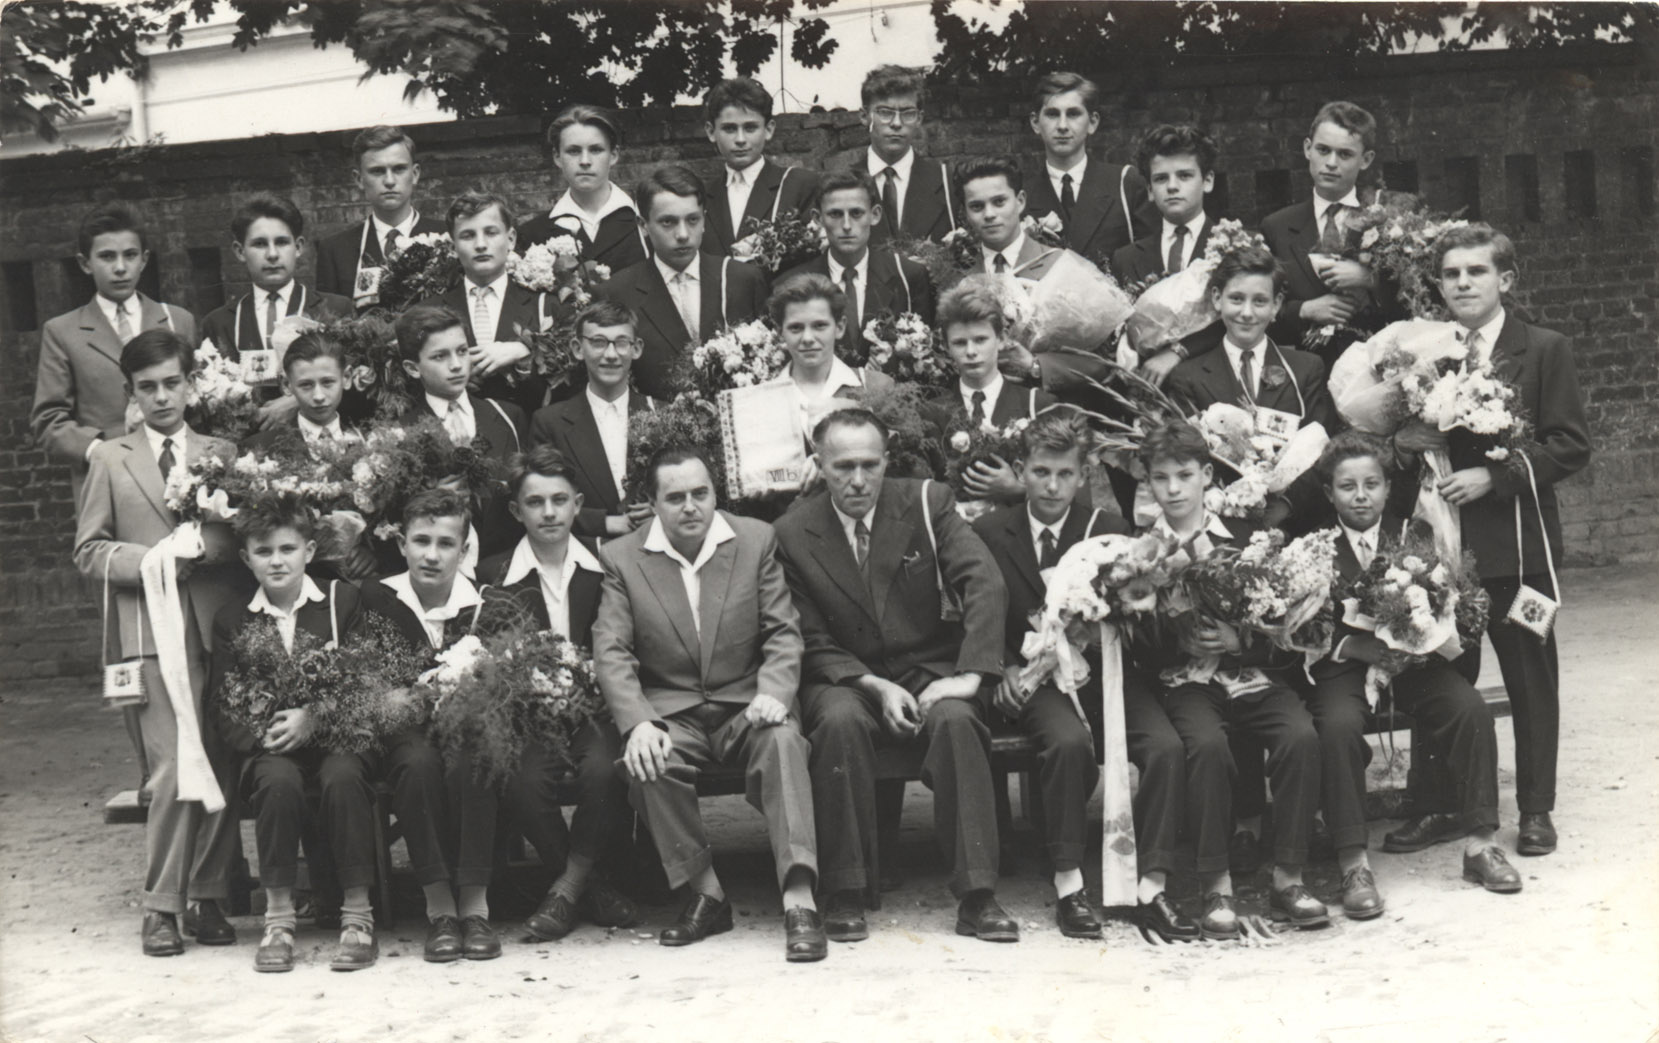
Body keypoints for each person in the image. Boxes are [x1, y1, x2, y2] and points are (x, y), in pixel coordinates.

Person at [772, 409, 1017, 944]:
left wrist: (970, 676)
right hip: (846, 675)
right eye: (843, 467)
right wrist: (873, 685)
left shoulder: (928, 502)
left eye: (870, 464)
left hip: (928, 668)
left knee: (957, 721)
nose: (858, 481)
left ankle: (978, 894)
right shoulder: (791, 533)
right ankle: (845, 889)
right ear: (819, 465)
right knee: (837, 724)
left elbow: (984, 582)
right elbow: (808, 635)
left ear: (887, 461)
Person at [1391, 224, 1591, 858]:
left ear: (1505, 279)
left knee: (1531, 676)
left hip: (1519, 553)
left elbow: (1569, 445)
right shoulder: (1424, 352)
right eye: (1451, 274)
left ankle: (1534, 809)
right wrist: (1404, 444)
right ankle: (1441, 804)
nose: (1462, 284)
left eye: (1475, 272)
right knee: (1441, 678)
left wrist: (1494, 477)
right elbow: (1406, 444)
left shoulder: (1544, 349)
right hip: (1443, 555)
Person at [592, 446, 826, 962]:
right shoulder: (622, 557)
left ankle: (799, 898)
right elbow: (612, 650)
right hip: (672, 712)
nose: (691, 507)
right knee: (648, 759)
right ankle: (707, 893)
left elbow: (783, 631)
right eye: (675, 497)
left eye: (701, 493)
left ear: (716, 492)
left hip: (748, 703)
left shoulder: (755, 539)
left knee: (784, 743)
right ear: (652, 503)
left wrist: (774, 692)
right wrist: (638, 722)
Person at [73, 328, 246, 957]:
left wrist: (204, 546)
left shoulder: (221, 452)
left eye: (172, 383)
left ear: (190, 384)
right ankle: (161, 906)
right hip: (149, 635)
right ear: (131, 393)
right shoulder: (110, 459)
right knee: (173, 768)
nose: (162, 396)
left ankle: (208, 896)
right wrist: (154, 559)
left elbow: (244, 535)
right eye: (147, 387)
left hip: (215, 625)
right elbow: (89, 551)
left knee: (220, 758)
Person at [972, 408, 1164, 940]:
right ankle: (1068, 881)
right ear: (1020, 471)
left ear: (1083, 476)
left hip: (1104, 672)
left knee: (1165, 746)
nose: (1052, 486)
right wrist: (1002, 668)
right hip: (1036, 679)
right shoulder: (989, 532)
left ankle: (1154, 880)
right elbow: (978, 613)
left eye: (1064, 474)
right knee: (1067, 744)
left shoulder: (1107, 531)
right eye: (1040, 472)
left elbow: (1133, 610)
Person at [1132, 419, 1326, 938]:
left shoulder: (1245, 538)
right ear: (1147, 482)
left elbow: (1284, 625)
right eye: (1160, 478)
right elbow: (1136, 648)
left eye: (1184, 475)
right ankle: (1215, 885)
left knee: (1299, 735)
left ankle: (1289, 877)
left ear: (1207, 476)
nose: (1174, 489)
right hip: (1186, 681)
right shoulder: (1141, 552)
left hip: (1250, 672)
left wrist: (1240, 641)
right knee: (1207, 746)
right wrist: (1177, 638)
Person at [1306, 432, 1518, 901]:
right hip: (1348, 666)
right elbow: (1302, 627)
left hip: (1412, 664)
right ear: (1329, 492)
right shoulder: (1315, 546)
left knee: (1469, 710)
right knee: (1338, 726)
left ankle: (1481, 843)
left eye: (1371, 484)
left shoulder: (1412, 533)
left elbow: (1444, 600)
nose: (1361, 496)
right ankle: (1353, 862)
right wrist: (1353, 647)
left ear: (1387, 487)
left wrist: (1421, 638)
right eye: (1347, 486)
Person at [358, 488, 534, 962]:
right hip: (403, 729)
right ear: (402, 544)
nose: (431, 555)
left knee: (475, 756)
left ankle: (475, 908)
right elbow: (363, 677)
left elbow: (506, 682)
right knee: (416, 765)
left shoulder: (486, 604)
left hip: (469, 726)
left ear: (464, 549)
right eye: (421, 541)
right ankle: (439, 909)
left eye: (445, 543)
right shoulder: (376, 598)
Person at [207, 500, 382, 972]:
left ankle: (357, 915)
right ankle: (279, 918)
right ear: (246, 558)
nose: (277, 561)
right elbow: (224, 703)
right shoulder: (233, 618)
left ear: (309, 551)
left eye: (288, 549)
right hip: (273, 744)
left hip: (338, 736)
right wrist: (269, 735)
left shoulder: (341, 601)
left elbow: (366, 679)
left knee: (343, 777)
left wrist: (316, 717)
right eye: (264, 551)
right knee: (277, 783)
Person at [473, 448, 640, 941]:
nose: (549, 512)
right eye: (535, 502)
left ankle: (566, 889)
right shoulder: (492, 575)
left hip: (596, 707)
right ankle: (589, 887)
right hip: (530, 714)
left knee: (603, 769)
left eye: (560, 500)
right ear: (515, 510)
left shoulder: (607, 563)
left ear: (577, 504)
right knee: (522, 780)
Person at [33, 202, 199, 501]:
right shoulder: (63, 332)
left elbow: (198, 401)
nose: (120, 267)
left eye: (130, 255)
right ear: (85, 263)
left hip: (181, 477)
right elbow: (48, 422)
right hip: (109, 485)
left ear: (144, 260)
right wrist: (104, 452)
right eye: (107, 256)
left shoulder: (177, 320)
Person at [596, 165, 770, 398]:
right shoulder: (617, 293)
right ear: (643, 225)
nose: (683, 234)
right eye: (668, 222)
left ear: (704, 220)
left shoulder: (742, 279)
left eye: (692, 220)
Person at [197, 193, 355, 423]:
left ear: (298, 247)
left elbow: (352, 380)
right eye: (259, 244)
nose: (272, 254)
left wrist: (296, 401)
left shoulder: (336, 308)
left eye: (281, 242)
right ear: (240, 251)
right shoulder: (219, 323)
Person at [1261, 101, 1398, 366]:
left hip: (1382, 367)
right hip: (1310, 374)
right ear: (1307, 149)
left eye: (1345, 154)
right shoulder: (1277, 226)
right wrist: (1304, 310)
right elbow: (1257, 308)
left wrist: (1371, 279)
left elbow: (1423, 300)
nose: (1331, 163)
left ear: (1366, 159)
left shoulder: (1391, 218)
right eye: (1323, 150)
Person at [241, 331, 380, 582]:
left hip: (361, 579)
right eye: (306, 385)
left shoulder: (373, 443)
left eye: (328, 382)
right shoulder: (261, 450)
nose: (318, 396)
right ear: (286, 385)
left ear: (347, 378)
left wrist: (373, 552)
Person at [396, 304, 529, 565]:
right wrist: (426, 503)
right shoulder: (399, 433)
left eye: (462, 351)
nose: (456, 365)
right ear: (413, 368)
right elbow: (392, 520)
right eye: (440, 356)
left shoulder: (507, 416)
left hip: (508, 564)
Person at [528, 300, 659, 540]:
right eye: (598, 342)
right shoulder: (550, 423)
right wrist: (605, 522)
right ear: (578, 348)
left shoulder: (661, 413)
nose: (611, 355)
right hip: (587, 550)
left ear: (637, 348)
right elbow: (540, 499)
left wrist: (662, 509)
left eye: (622, 343)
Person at [777, 170, 936, 362]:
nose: (846, 225)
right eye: (835, 214)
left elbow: (923, 357)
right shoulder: (791, 284)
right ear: (818, 219)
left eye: (856, 213)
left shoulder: (907, 275)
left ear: (875, 215)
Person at [923, 275, 1056, 504]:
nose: (971, 352)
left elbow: (1069, 492)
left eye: (980, 339)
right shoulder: (930, 413)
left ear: (1002, 339)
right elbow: (920, 493)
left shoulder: (1038, 406)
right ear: (945, 346)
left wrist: (1019, 491)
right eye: (960, 343)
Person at [419, 190, 554, 413]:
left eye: (491, 233)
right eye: (468, 235)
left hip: (529, 427)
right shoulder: (427, 311)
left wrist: (524, 350)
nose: (480, 244)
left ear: (510, 239)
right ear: (453, 246)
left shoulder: (545, 306)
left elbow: (571, 381)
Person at [1111, 123, 1226, 380]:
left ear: (1207, 181)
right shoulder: (1127, 258)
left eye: (1184, 176)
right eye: (1161, 178)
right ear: (1150, 191)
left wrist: (1178, 352)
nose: (1172, 186)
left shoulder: (1233, 245)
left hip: (1219, 384)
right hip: (1151, 388)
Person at [1023, 71, 1158, 264]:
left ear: (1092, 122)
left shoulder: (1125, 184)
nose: (1062, 125)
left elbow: (1151, 261)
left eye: (1073, 114)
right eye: (1052, 114)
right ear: (1035, 123)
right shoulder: (1022, 198)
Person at [313, 125, 448, 307]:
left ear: (415, 174)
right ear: (359, 179)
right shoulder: (335, 250)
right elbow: (329, 317)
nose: (389, 181)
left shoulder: (446, 237)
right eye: (377, 171)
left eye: (399, 169)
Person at [519, 104, 649, 272]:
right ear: (557, 157)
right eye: (573, 151)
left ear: (613, 155)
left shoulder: (645, 222)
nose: (585, 161)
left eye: (596, 150)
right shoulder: (532, 234)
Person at [700, 77, 820, 258]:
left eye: (750, 128)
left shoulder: (799, 186)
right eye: (729, 129)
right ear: (711, 132)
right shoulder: (701, 196)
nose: (740, 139)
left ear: (768, 129)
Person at [765, 273, 895, 433]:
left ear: (839, 327)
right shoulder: (764, 399)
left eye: (819, 325)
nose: (807, 338)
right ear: (780, 332)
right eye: (796, 328)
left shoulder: (878, 387)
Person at [857, 65, 957, 245]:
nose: (896, 123)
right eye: (885, 112)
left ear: (919, 119)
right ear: (865, 116)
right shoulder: (842, 183)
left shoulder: (947, 182)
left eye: (908, 113)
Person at [957, 156, 1067, 280]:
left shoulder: (1060, 265)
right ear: (965, 212)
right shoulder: (954, 274)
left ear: (1020, 201)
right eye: (977, 206)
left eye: (999, 202)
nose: (989, 214)